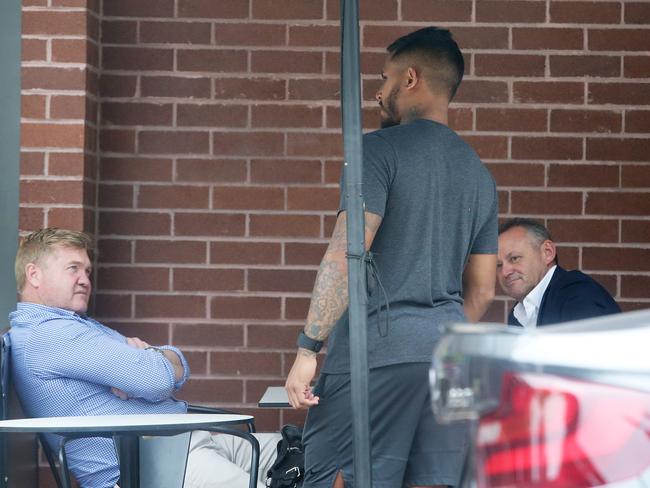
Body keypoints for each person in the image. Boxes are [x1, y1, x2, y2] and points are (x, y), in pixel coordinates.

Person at [284, 27, 498, 488]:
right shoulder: (479, 174)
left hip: (375, 352)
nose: (378, 92)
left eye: (383, 78)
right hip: (451, 361)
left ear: (410, 79)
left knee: (332, 478)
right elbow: (481, 288)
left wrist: (308, 348)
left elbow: (347, 252)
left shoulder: (376, 150)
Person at [8, 228, 280, 488]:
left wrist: (152, 360)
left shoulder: (77, 325)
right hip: (150, 470)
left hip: (180, 447)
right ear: (34, 274)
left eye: (87, 271)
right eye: (73, 268)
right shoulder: (49, 334)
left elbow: (167, 365)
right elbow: (156, 379)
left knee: (302, 452)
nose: (85, 279)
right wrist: (150, 366)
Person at [497, 218, 621, 327]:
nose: (505, 272)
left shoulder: (579, 296)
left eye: (514, 258)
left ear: (547, 252)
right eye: (498, 265)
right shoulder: (517, 316)